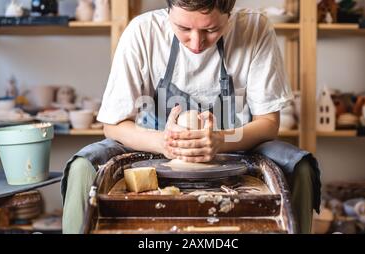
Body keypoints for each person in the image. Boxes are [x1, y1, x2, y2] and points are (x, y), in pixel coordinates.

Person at [61, 0, 321, 234]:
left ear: (229, 13)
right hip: (152, 147)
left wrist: (220, 141)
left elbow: (268, 123)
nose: (196, 44)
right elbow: (113, 125)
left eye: (211, 30)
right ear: (169, 10)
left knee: (301, 166)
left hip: (236, 148)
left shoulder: (255, 28)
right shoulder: (143, 31)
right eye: (183, 28)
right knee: (82, 166)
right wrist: (164, 143)